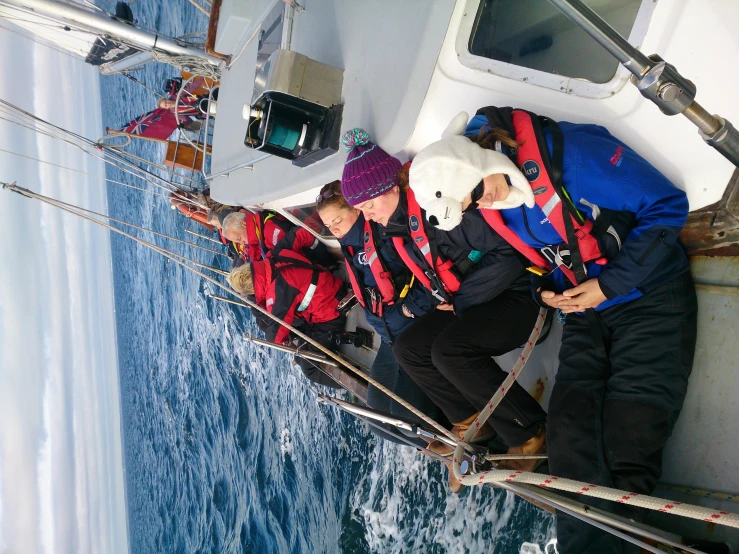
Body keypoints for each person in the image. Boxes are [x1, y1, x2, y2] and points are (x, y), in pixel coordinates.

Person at [408, 107, 697, 553]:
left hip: (649, 299)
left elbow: (669, 206)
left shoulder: (574, 159)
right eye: (472, 206)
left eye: (477, 196)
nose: (482, 206)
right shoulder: (500, 199)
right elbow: (543, 255)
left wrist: (608, 285)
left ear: (481, 164)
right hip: (581, 309)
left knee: (628, 450)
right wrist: (545, 289)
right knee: (565, 439)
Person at [339, 128, 548, 474]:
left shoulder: (437, 209)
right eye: (362, 209)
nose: (368, 215)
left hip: (518, 294)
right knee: (409, 348)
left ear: (390, 188)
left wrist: (462, 300)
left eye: (370, 205)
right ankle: (471, 423)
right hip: (473, 300)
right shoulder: (397, 224)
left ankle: (532, 431)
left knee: (449, 350)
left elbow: (507, 256)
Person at [315, 180, 444, 452]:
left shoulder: (385, 236)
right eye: (329, 226)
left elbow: (428, 275)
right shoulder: (349, 247)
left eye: (337, 220)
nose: (334, 230)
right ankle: (436, 448)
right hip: (388, 336)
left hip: (414, 328)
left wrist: (410, 309)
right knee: (375, 421)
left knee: (405, 417)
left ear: (357, 210)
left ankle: (457, 443)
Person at [227, 244, 347, 389]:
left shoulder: (276, 294)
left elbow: (276, 337)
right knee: (301, 350)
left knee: (309, 369)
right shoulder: (273, 256)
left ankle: (362, 382)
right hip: (331, 285)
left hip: (330, 310)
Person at [221, 209, 333, 267]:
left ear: (244, 224)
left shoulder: (271, 233)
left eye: (239, 238)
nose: (242, 243)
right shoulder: (259, 230)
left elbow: (298, 254)